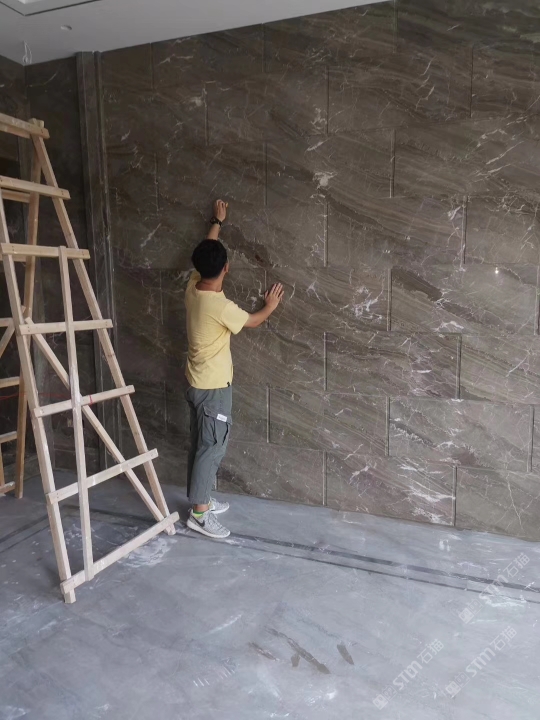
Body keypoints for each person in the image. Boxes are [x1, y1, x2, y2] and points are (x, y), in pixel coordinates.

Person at [184, 199, 284, 538]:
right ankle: (199, 514)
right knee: (212, 447)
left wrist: (217, 222)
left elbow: (207, 251)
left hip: (197, 383)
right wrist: (270, 305)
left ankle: (202, 500)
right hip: (212, 389)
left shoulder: (193, 287)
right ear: (226, 268)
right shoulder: (220, 306)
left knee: (202, 444)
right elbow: (253, 321)